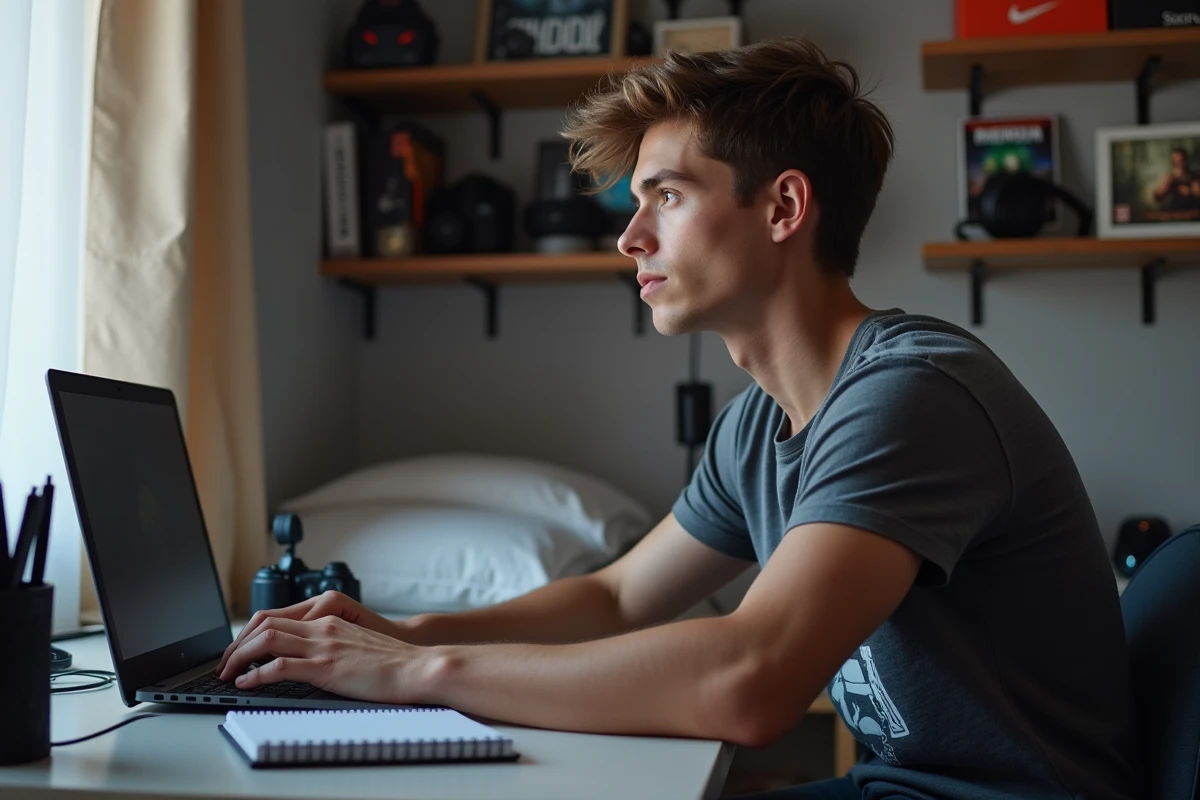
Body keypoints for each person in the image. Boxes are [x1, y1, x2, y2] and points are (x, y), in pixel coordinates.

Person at [218, 37, 1140, 800]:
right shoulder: (757, 425)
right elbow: (615, 598)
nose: (629, 235)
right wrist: (399, 634)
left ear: (782, 206)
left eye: (666, 193)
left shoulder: (911, 396)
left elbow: (751, 681)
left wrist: (413, 679)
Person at [1152, 146, 1200, 213]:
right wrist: (1168, 183)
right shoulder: (1167, 177)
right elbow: (1157, 196)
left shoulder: (1194, 177)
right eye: (1176, 161)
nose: (1179, 163)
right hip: (1171, 213)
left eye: (1181, 160)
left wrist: (1191, 191)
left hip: (1190, 213)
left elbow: (1197, 192)